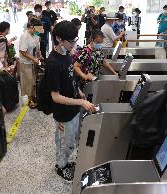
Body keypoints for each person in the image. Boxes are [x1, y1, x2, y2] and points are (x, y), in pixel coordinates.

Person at [49, 21, 95, 181]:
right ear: (59, 39)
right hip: (63, 112)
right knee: (64, 142)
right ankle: (61, 166)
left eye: (75, 40)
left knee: (72, 139)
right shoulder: (53, 63)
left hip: (73, 106)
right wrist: (81, 103)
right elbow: (55, 96)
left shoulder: (66, 54)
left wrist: (79, 92)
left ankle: (66, 162)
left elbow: (71, 78)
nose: (74, 44)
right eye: (71, 41)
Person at [19, 18, 43, 109]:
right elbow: (22, 51)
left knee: (34, 80)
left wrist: (39, 55)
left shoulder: (36, 35)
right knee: (29, 81)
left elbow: (37, 47)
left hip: (34, 61)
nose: (38, 31)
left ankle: (34, 96)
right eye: (37, 29)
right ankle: (30, 100)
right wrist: (33, 58)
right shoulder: (25, 36)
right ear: (32, 27)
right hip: (26, 62)